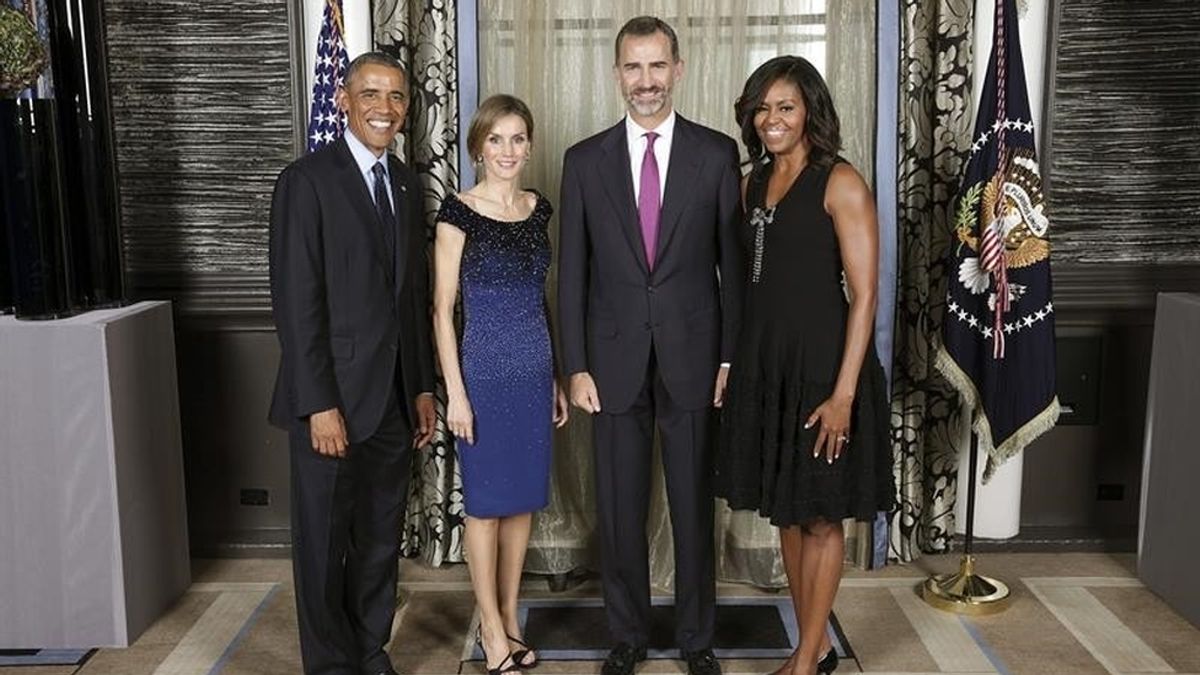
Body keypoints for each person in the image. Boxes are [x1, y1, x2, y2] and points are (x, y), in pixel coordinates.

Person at [557, 16, 742, 675]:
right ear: (616, 75)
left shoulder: (718, 155)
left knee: (693, 509)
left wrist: (727, 357)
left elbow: (733, 269)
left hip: (695, 358)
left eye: (657, 66)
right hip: (610, 364)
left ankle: (697, 640)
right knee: (620, 506)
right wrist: (574, 364)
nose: (646, 81)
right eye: (633, 68)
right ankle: (627, 635)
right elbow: (571, 274)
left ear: (679, 69)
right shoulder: (583, 162)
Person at [716, 56, 895, 675]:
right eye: (762, 107)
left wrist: (844, 394)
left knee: (819, 516)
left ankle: (805, 657)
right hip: (769, 371)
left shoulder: (841, 181)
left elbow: (866, 293)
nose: (772, 118)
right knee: (788, 514)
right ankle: (812, 643)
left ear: (810, 111)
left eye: (785, 106)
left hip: (825, 371)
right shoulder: (749, 184)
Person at [268, 51, 437, 675]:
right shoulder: (307, 181)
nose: (385, 109)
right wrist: (318, 403)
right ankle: (331, 665)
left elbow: (410, 297)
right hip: (331, 402)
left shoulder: (404, 182)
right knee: (322, 547)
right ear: (343, 99)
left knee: (378, 542)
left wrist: (420, 389)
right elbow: (296, 302)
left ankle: (369, 650)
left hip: (392, 400)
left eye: (396, 97)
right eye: (371, 94)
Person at [431, 94, 568, 675]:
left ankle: (511, 619)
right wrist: (456, 394)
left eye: (517, 139)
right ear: (478, 148)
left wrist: (557, 375)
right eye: (496, 140)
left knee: (521, 506)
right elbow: (441, 311)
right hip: (482, 373)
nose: (507, 150)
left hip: (534, 372)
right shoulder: (456, 212)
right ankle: (489, 627)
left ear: (529, 145)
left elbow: (542, 297)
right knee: (486, 507)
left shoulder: (541, 210)